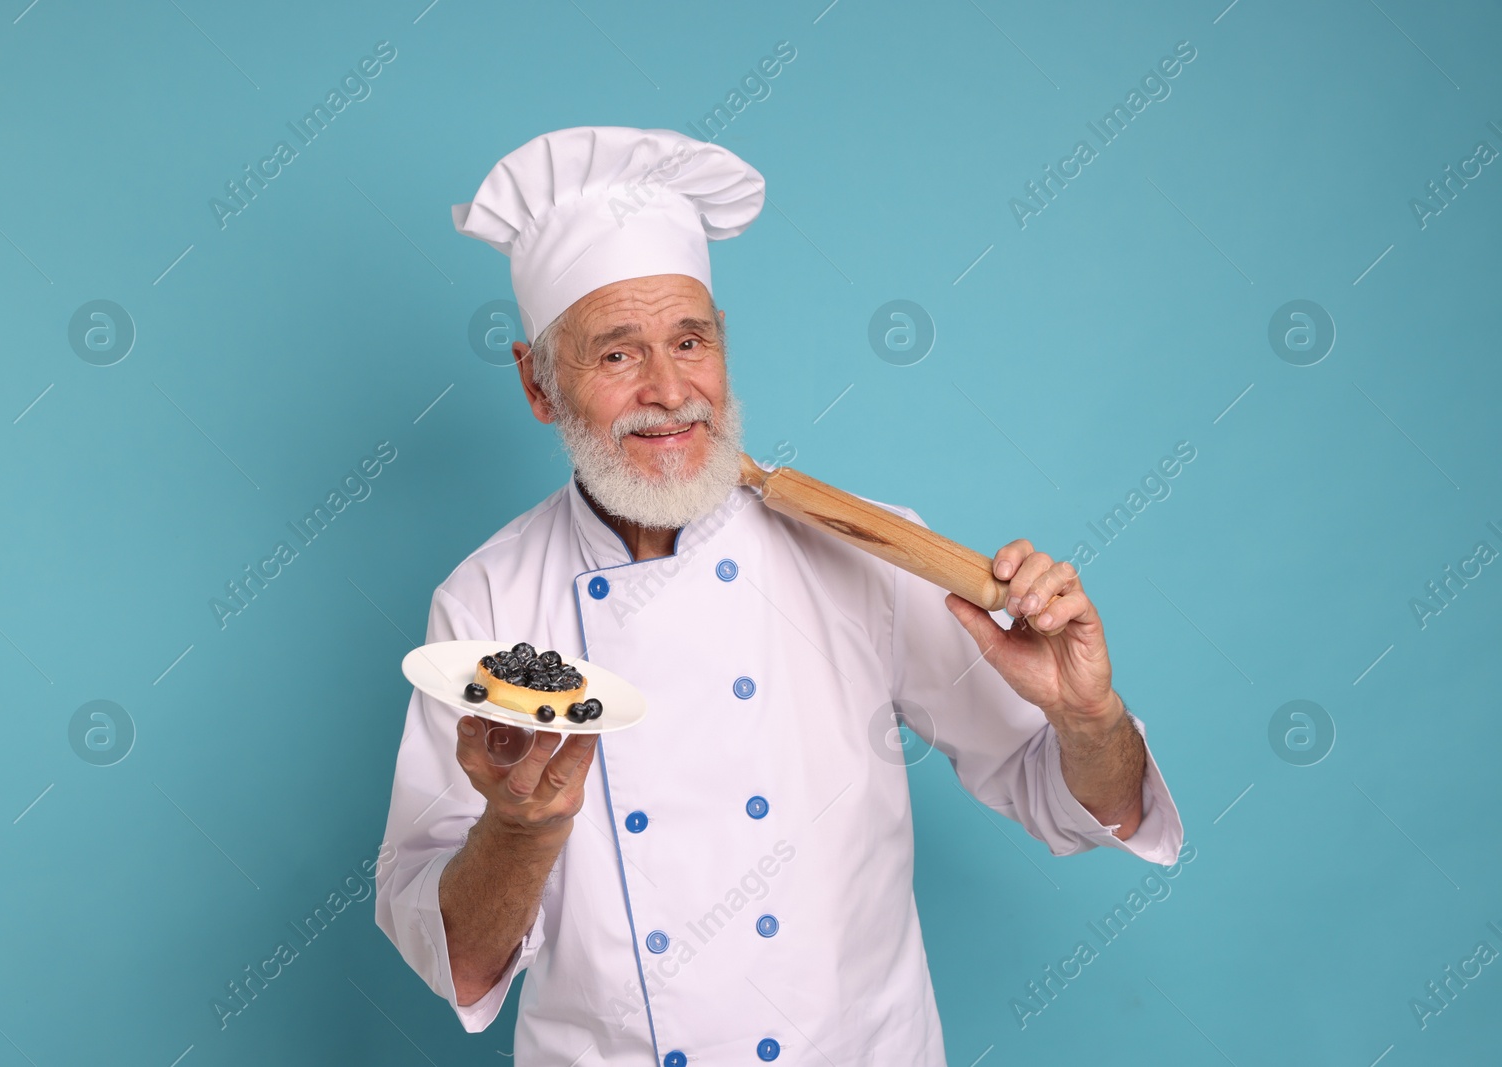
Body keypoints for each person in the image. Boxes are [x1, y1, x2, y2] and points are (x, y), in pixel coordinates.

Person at [375, 126, 1184, 1066]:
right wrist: (520, 827)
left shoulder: (864, 549)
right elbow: (460, 959)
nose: (671, 391)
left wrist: (1088, 717)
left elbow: (1077, 803)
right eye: (617, 355)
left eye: (690, 341)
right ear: (538, 384)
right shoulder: (484, 602)